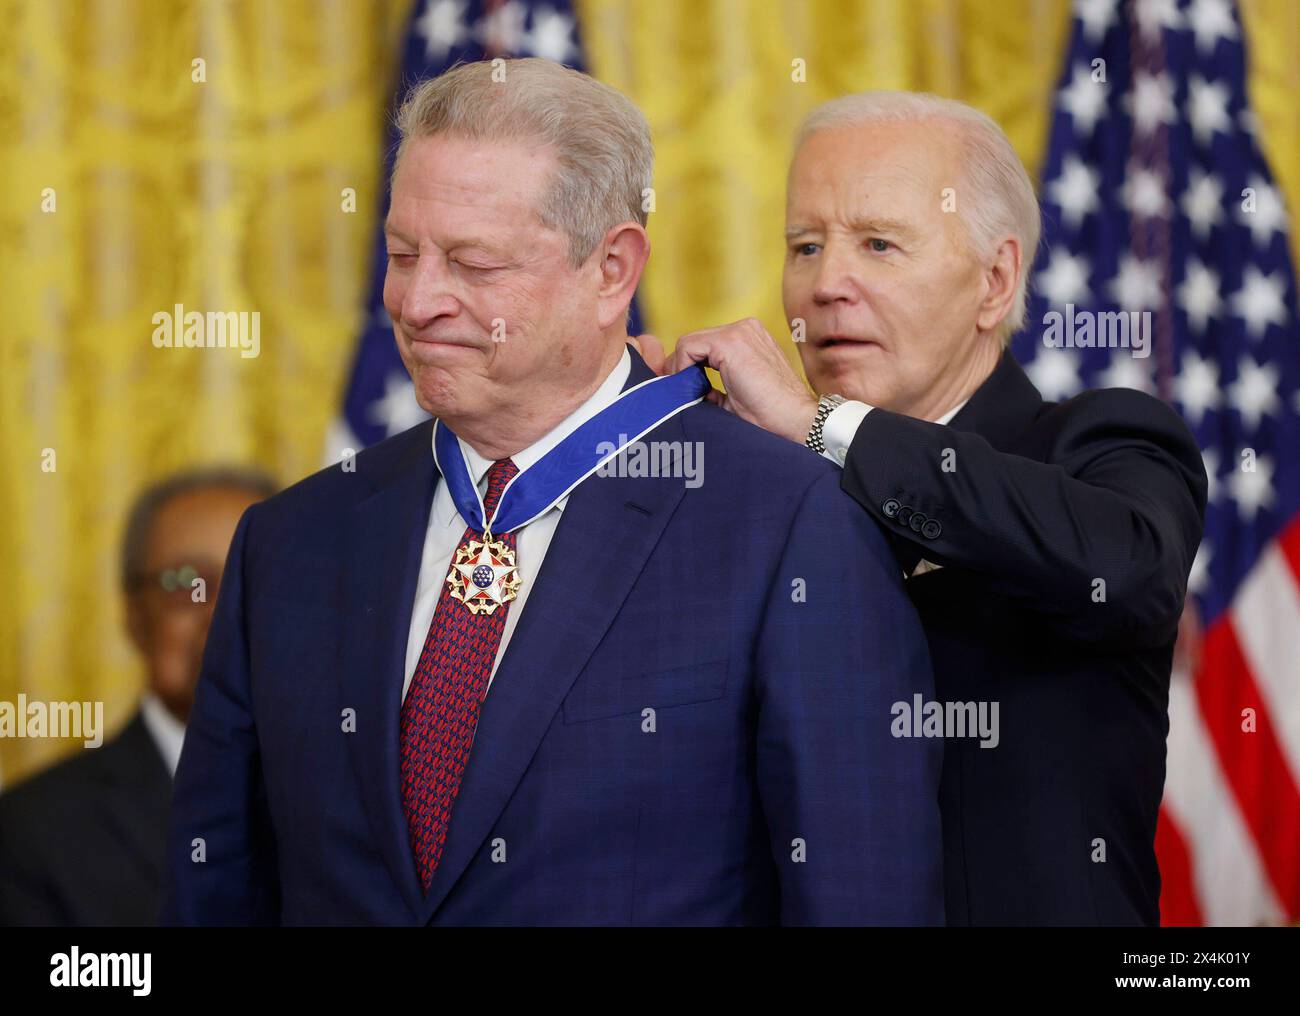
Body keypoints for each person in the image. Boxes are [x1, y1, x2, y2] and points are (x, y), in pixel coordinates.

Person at [162, 60, 942, 926]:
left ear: (612, 268)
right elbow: (215, 895)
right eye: (401, 253)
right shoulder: (290, 541)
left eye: (473, 262)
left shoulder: (791, 526)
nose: (418, 301)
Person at [658, 92, 1207, 925]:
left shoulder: (1098, 444)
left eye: (879, 244)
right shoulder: (748, 482)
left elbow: (1127, 572)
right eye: (805, 246)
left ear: (995, 283)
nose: (827, 284)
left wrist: (821, 426)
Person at [0, 468, 274, 926]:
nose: (221, 613)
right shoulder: (30, 830)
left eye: (253, 577)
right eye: (187, 582)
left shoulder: (359, 796)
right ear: (134, 616)